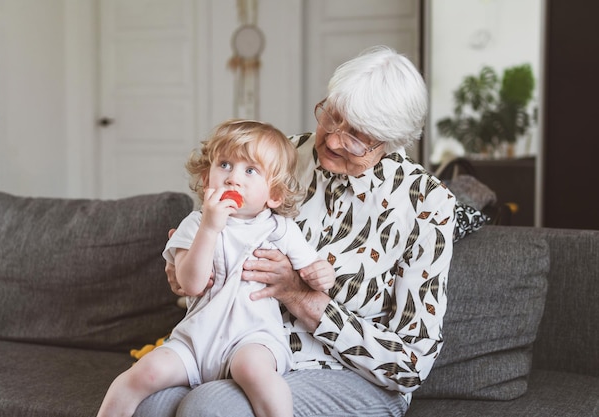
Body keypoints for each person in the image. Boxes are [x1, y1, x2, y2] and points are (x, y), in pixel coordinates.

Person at [143, 45, 457, 417]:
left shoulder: (425, 203)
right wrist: (185, 264)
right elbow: (215, 229)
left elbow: (410, 364)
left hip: (351, 374)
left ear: (390, 141)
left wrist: (300, 296)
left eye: (356, 135)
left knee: (209, 408)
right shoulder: (284, 155)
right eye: (332, 116)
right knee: (151, 403)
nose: (333, 139)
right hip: (238, 348)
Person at [97, 119, 336, 417]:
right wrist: (210, 228)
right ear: (206, 175)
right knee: (141, 374)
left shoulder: (280, 229)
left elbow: (314, 273)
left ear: (274, 194)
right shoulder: (196, 224)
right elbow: (191, 284)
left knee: (254, 371)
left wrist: (322, 274)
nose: (233, 178)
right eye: (224, 164)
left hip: (252, 338)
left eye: (250, 171)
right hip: (194, 341)